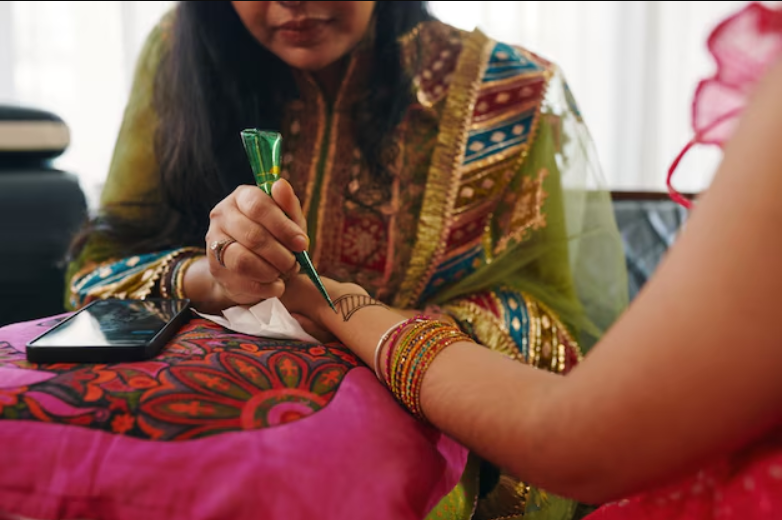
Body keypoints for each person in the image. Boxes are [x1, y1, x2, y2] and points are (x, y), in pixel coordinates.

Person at [63, 2, 627, 517]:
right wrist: (217, 276)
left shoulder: (507, 93)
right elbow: (96, 280)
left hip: (419, 443)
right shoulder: (187, 52)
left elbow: (552, 336)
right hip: (204, 437)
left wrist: (359, 324)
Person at [277, 2, 782, 519]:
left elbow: (584, 435)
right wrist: (205, 273)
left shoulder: (509, 90)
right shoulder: (200, 80)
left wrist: (342, 307)